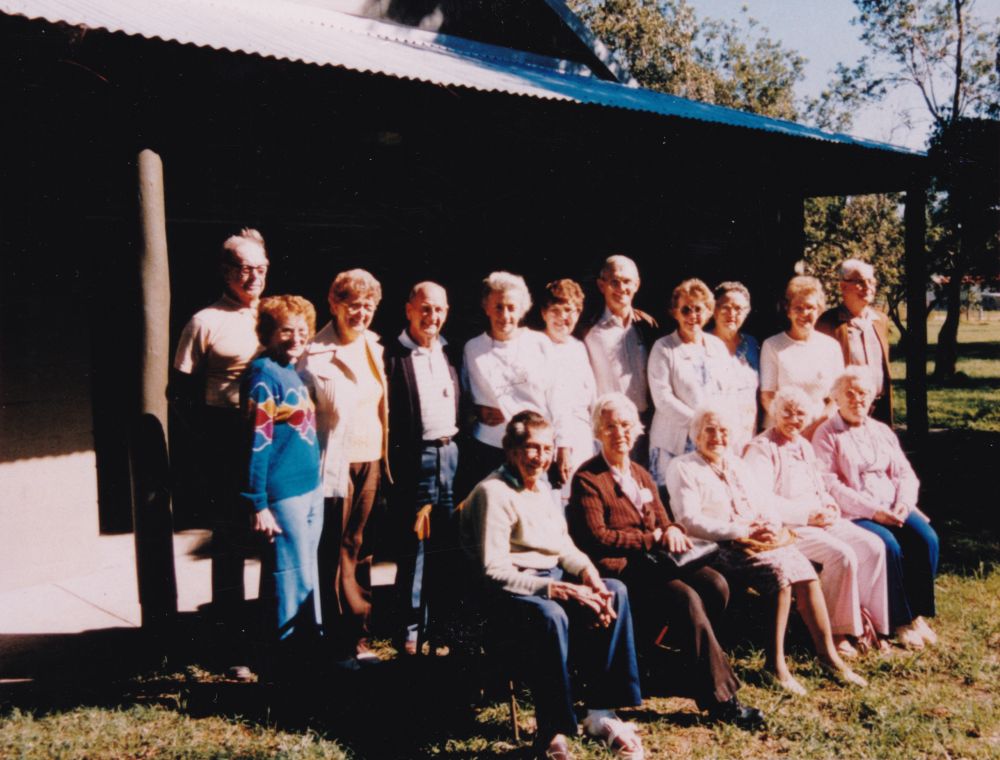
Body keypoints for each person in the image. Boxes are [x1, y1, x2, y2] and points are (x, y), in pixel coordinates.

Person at [567, 393, 763, 729]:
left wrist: (671, 529)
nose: (619, 432)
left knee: (715, 585)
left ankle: (685, 665)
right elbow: (596, 536)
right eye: (610, 426)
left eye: (626, 425)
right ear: (598, 431)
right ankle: (722, 701)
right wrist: (652, 538)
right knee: (685, 599)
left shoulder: (641, 474)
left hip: (656, 562)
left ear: (637, 429)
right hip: (622, 569)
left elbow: (662, 518)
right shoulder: (588, 478)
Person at [460, 411, 645, 760]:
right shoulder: (493, 492)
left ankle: (601, 713)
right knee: (552, 615)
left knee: (614, 591)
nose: (540, 457)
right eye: (531, 448)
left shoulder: (542, 488)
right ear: (510, 448)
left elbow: (563, 547)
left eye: (546, 449)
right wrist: (556, 590)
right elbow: (492, 570)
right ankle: (553, 731)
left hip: (551, 582)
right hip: (508, 594)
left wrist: (589, 575)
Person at [665, 401, 866, 694]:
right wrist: (742, 530)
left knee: (805, 571)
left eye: (723, 431)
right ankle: (775, 665)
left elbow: (765, 501)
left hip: (754, 541)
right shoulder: (683, 467)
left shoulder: (736, 463)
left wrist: (770, 524)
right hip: (716, 546)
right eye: (710, 430)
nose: (717, 437)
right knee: (778, 576)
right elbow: (689, 520)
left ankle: (828, 656)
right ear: (696, 434)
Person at [170, 227, 268, 679]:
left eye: (261, 268)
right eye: (245, 268)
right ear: (226, 271)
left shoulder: (274, 315)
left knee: (273, 541)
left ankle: (272, 635)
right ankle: (232, 646)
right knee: (230, 544)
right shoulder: (204, 321)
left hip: (276, 442)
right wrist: (211, 447)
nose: (254, 277)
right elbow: (181, 393)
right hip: (228, 442)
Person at [743, 386, 890, 656]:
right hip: (790, 526)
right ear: (775, 412)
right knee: (842, 555)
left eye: (800, 414)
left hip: (819, 518)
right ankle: (835, 632)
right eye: (787, 412)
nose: (794, 419)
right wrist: (807, 515)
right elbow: (761, 501)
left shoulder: (803, 445)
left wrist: (829, 504)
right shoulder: (761, 448)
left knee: (873, 547)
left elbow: (819, 485)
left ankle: (870, 625)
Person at [812, 367, 939, 649]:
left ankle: (916, 613)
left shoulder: (881, 431)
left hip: (894, 505)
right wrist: (874, 512)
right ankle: (899, 619)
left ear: (872, 399)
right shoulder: (827, 433)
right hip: (856, 511)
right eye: (850, 393)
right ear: (837, 398)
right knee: (889, 545)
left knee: (927, 539)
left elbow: (904, 474)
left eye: (864, 394)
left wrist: (904, 504)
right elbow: (829, 484)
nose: (858, 399)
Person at [299, 269, 390, 664]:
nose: (361, 312)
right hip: (334, 464)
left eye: (368, 305)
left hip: (371, 458)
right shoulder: (313, 352)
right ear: (334, 304)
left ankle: (359, 634)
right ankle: (339, 640)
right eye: (353, 304)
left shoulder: (374, 346)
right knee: (336, 551)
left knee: (363, 548)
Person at [240, 295, 322, 673]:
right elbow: (257, 444)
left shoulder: (292, 371)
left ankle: (306, 652)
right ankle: (286, 664)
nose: (295, 338)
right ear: (269, 332)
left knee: (306, 573)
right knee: (289, 577)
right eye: (286, 330)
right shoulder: (263, 375)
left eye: (302, 330)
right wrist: (258, 502)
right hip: (283, 493)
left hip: (309, 489)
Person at [384, 282, 461, 656]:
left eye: (439, 310)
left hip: (451, 454)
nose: (432, 317)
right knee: (414, 544)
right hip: (417, 458)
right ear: (409, 309)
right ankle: (410, 631)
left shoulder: (448, 351)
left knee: (445, 543)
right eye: (425, 309)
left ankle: (438, 628)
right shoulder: (394, 356)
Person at [460, 271, 568, 496]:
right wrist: (475, 411)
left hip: (535, 450)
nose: (505, 315)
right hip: (489, 448)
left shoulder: (539, 343)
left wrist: (564, 446)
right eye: (498, 306)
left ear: (522, 309)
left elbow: (559, 399)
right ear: (486, 307)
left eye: (511, 307)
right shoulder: (472, 349)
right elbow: (464, 396)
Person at [647, 278, 734, 486]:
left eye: (698, 309)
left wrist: (715, 429)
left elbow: (729, 392)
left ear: (708, 311)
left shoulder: (718, 347)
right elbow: (662, 398)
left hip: (710, 441)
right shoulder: (664, 348)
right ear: (675, 312)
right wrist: (698, 423)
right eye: (685, 310)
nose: (693, 316)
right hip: (673, 442)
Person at [583, 255, 659, 466]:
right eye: (614, 281)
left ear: (637, 285)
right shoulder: (588, 328)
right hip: (605, 427)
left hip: (641, 424)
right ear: (601, 285)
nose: (621, 288)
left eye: (627, 281)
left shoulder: (647, 325)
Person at [760, 276, 844, 437]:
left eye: (810, 307)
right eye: (798, 308)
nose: (804, 313)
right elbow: (767, 396)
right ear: (788, 311)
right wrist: (789, 428)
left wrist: (816, 428)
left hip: (821, 430)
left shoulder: (831, 347)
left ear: (819, 310)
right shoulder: (772, 345)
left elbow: (836, 399)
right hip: (780, 431)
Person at [538, 279, 598, 502]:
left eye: (570, 310)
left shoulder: (578, 347)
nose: (564, 317)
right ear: (544, 313)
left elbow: (590, 396)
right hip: (551, 441)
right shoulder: (536, 345)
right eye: (556, 310)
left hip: (582, 438)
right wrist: (562, 445)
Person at [816, 259, 894, 424]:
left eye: (871, 281)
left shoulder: (880, 320)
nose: (868, 287)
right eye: (860, 282)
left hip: (879, 409)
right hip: (846, 409)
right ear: (843, 286)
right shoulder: (827, 323)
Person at [709, 281, 760, 454]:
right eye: (725, 307)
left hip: (746, 436)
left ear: (747, 312)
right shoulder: (701, 343)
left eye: (738, 309)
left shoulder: (752, 345)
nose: (732, 314)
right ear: (714, 309)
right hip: (712, 435)